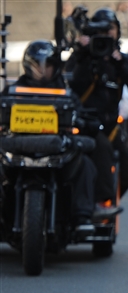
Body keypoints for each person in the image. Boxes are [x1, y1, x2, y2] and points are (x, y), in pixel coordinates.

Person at [6, 40, 98, 235]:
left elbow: (80, 115)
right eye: (37, 65)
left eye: (47, 66)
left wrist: (84, 122)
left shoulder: (66, 92)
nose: (41, 71)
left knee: (85, 164)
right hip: (17, 152)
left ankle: (82, 216)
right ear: (27, 66)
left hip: (58, 153)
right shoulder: (12, 91)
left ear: (55, 67)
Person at [65, 7, 128, 217]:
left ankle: (104, 200)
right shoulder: (81, 57)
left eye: (110, 29)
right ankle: (98, 203)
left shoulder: (119, 59)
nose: (107, 34)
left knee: (126, 174)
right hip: (83, 124)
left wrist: (119, 64)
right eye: (101, 30)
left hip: (110, 126)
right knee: (101, 151)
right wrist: (83, 55)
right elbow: (69, 83)